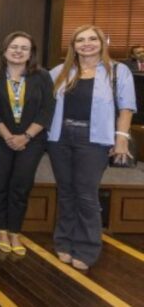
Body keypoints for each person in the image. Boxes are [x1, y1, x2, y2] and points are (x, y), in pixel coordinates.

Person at [48, 25, 136, 270]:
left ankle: (87, 248)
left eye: (92, 39)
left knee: (86, 194)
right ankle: (63, 241)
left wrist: (121, 140)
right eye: (80, 40)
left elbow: (126, 108)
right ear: (73, 46)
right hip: (60, 138)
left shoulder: (118, 71)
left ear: (101, 43)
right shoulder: (59, 71)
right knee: (66, 192)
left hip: (94, 139)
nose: (86, 44)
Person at [0, 32, 54, 255]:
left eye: (24, 48)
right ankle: (1, 230)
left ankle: (15, 232)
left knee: (21, 186)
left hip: (31, 141)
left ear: (31, 53)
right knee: (1, 185)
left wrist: (25, 136)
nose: (18, 51)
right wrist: (8, 136)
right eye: (14, 46)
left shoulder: (42, 76)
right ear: (5, 50)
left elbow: (47, 110)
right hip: (0, 138)